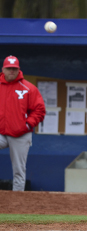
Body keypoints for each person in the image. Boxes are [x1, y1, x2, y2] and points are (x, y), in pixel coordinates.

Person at [0, 55, 46, 191]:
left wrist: (27, 125)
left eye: (14, 69)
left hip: (20, 134)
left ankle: (17, 203)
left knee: (19, 170)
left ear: (18, 70)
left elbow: (40, 110)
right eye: (9, 68)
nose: (11, 71)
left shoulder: (28, 88)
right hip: (2, 133)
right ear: (3, 69)